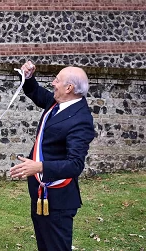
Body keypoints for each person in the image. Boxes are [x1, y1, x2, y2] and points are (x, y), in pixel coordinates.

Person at [10, 61, 95, 251]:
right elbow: (36, 93)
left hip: (58, 200)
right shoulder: (57, 103)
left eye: (57, 80)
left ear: (69, 87)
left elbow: (75, 165)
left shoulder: (81, 119)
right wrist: (28, 77)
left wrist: (39, 167)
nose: (53, 83)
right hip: (41, 194)